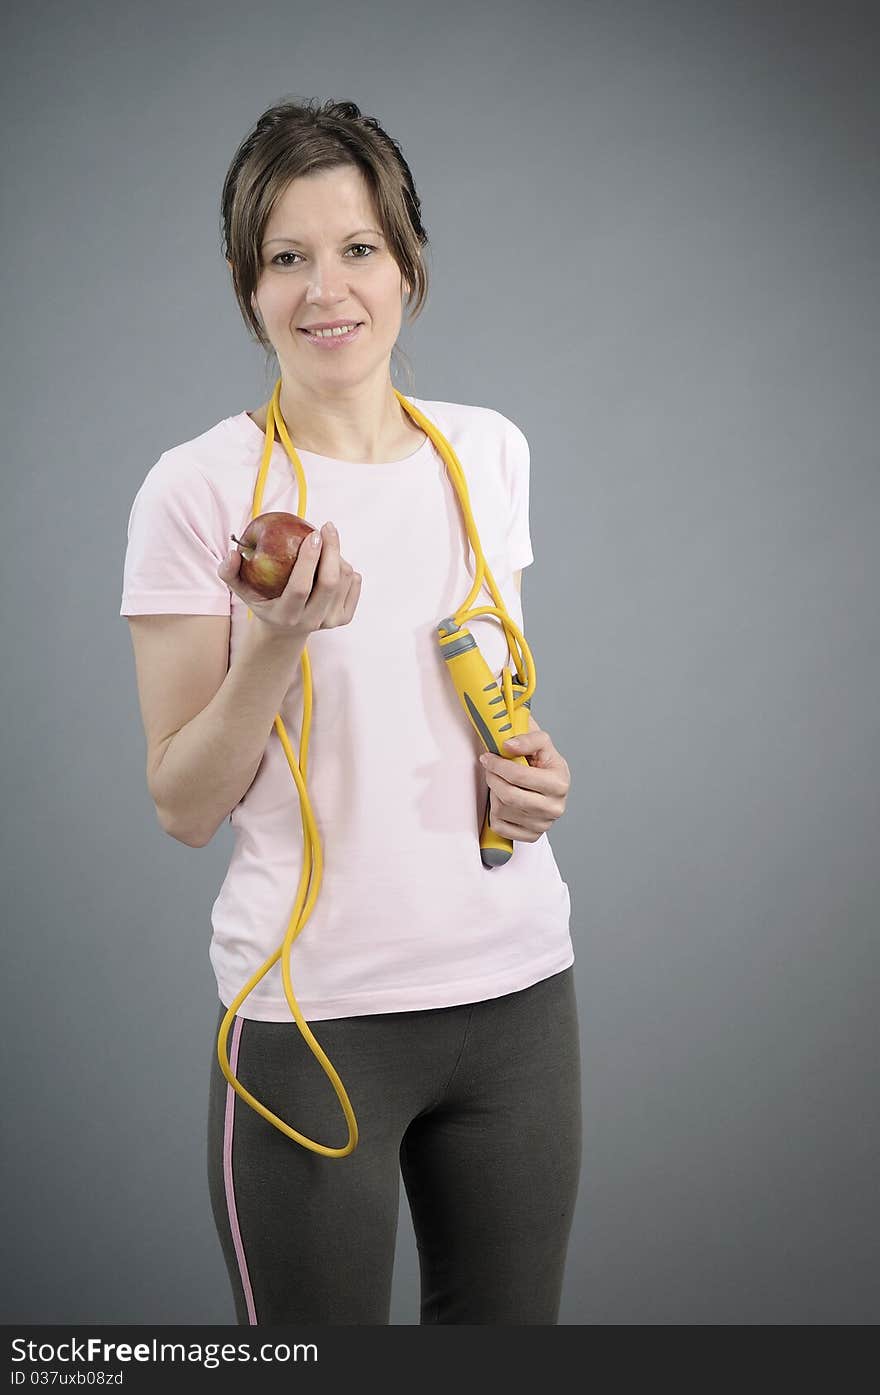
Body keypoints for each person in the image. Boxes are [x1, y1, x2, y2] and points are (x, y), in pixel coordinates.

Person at [120, 97, 581, 1326]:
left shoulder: (484, 452)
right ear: (247, 286)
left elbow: (494, 703)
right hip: (312, 1022)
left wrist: (533, 770)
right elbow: (181, 803)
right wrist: (271, 641)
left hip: (517, 1002)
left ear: (408, 265)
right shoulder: (197, 489)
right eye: (287, 257)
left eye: (359, 247)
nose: (328, 289)